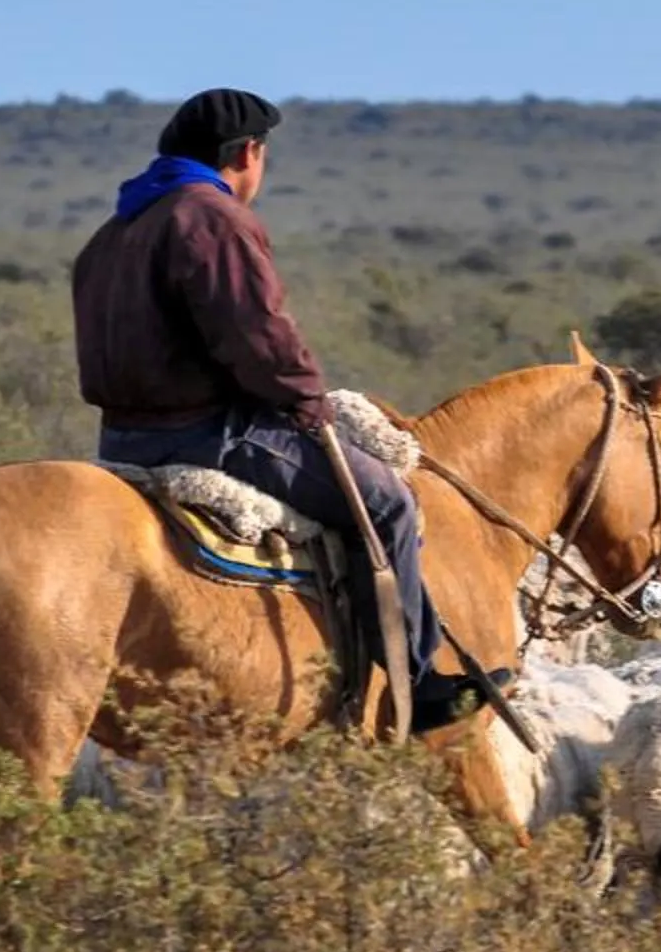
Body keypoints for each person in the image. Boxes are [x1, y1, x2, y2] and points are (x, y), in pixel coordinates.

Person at [71, 88, 492, 727]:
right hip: (208, 434)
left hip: (120, 439)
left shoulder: (115, 230)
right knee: (388, 504)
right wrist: (305, 399)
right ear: (248, 152)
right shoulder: (211, 218)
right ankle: (416, 678)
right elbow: (255, 333)